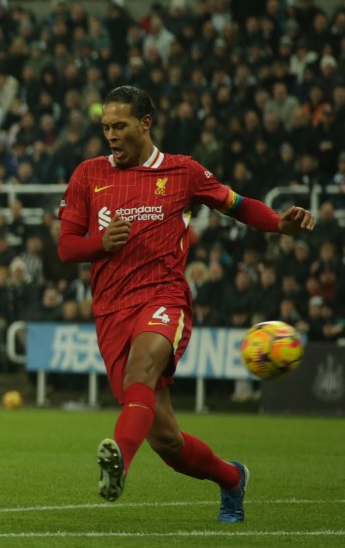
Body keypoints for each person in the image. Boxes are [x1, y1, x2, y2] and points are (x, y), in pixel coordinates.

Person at [57, 86, 315, 522]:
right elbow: (66, 249)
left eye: (120, 126)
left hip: (163, 297)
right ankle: (232, 478)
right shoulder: (88, 174)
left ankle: (118, 458)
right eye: (105, 127)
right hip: (110, 309)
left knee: (143, 366)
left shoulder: (183, 172)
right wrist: (101, 244)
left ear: (145, 123)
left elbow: (237, 205)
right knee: (167, 442)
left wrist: (279, 225)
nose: (111, 136)